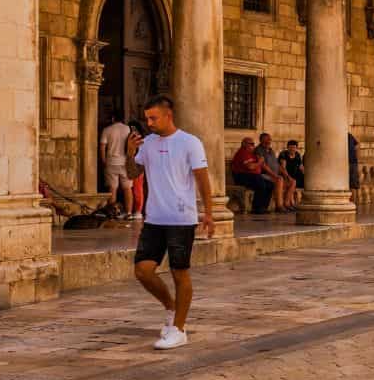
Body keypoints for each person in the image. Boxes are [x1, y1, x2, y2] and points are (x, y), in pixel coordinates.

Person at [125, 95, 214, 350]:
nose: (149, 123)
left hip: (181, 218)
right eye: (147, 119)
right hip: (154, 218)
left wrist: (208, 212)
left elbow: (202, 179)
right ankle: (170, 307)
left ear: (168, 116)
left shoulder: (189, 143)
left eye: (153, 118)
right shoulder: (148, 144)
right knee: (143, 270)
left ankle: (179, 329)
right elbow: (133, 174)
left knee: (179, 272)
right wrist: (130, 153)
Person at [227, 137, 275, 215]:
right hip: (242, 176)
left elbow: (261, 164)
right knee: (260, 183)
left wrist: (273, 175)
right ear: (244, 144)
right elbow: (250, 167)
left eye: (253, 144)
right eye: (251, 144)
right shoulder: (242, 153)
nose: (253, 146)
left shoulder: (252, 154)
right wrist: (259, 162)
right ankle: (256, 208)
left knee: (270, 185)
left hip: (253, 176)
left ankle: (264, 207)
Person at [99, 116, 131, 217]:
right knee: (127, 188)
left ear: (113, 118)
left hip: (112, 162)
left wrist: (103, 161)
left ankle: (113, 213)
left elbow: (102, 147)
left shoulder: (107, 130)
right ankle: (129, 212)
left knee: (113, 188)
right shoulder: (128, 129)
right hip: (125, 162)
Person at [259, 131, 297, 212]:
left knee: (292, 181)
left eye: (269, 139)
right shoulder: (259, 150)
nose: (269, 141)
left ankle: (286, 204)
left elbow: (278, 166)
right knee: (279, 179)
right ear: (261, 140)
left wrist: (287, 176)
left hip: (274, 175)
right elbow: (263, 165)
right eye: (267, 139)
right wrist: (274, 175)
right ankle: (279, 205)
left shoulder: (271, 151)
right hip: (265, 175)